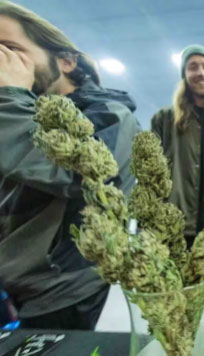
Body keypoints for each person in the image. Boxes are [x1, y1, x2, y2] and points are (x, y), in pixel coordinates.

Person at [0, 1, 140, 330]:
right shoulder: (14, 112)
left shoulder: (109, 113)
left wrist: (9, 96)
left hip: (69, 292)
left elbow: (85, 172)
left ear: (66, 60)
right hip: (18, 291)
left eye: (10, 48)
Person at [150, 44, 204, 333]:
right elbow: (150, 175)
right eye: (193, 67)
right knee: (175, 310)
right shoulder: (164, 120)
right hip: (177, 233)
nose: (200, 72)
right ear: (184, 76)